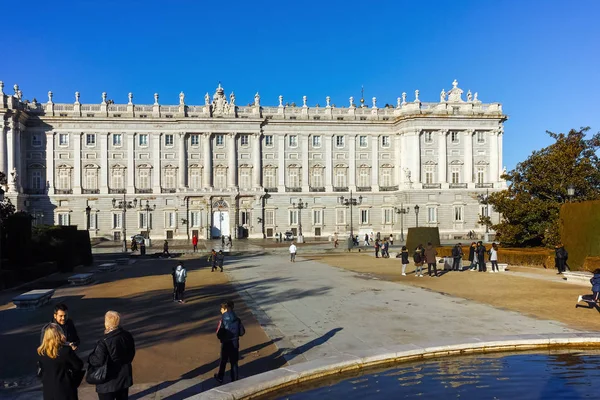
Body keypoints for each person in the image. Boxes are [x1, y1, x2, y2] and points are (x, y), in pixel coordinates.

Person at [88, 311, 135, 400]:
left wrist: (90, 358)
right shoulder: (127, 336)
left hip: (107, 382)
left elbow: (99, 360)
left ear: (107, 323)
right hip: (123, 379)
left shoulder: (104, 341)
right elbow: (131, 354)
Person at [38, 323, 84, 400]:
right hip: (65, 389)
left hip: (48, 391)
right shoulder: (65, 351)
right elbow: (78, 365)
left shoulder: (42, 352)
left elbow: (40, 370)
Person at [214, 301, 245, 384]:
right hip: (235, 342)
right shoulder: (237, 319)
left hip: (226, 343)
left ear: (225, 309)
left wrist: (222, 337)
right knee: (234, 362)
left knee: (223, 360)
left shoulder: (223, 320)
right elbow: (242, 332)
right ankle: (234, 379)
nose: (220, 310)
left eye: (221, 308)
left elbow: (219, 333)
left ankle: (220, 377)